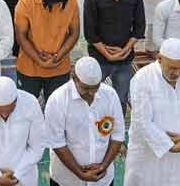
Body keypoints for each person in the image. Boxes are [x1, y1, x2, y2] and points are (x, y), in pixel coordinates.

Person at [125, 37, 180, 186]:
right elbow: (142, 121)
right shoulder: (142, 79)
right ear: (159, 59)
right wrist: (168, 145)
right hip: (148, 154)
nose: (177, 73)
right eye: (172, 67)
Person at [44, 57, 124, 186]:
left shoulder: (110, 95)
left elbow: (117, 135)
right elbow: (57, 142)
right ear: (74, 79)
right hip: (67, 180)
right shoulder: (57, 100)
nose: (92, 93)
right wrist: (79, 173)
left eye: (96, 87)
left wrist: (103, 166)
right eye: (86, 88)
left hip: (103, 179)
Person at [84, 0, 144, 110]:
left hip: (124, 59)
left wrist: (125, 50)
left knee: (121, 99)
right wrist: (107, 53)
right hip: (100, 57)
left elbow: (139, 28)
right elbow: (90, 33)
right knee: (90, 97)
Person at [14, 0, 79, 102]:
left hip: (60, 68)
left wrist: (58, 56)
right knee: (26, 109)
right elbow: (21, 37)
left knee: (59, 111)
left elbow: (74, 33)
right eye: (51, 3)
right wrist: (39, 60)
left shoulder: (71, 0)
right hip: (29, 69)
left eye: (59, 3)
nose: (55, 7)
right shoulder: (25, 2)